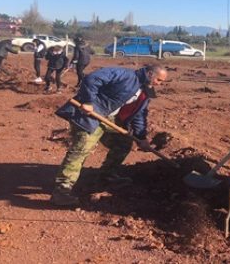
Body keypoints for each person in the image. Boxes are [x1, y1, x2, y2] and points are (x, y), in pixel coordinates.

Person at [51, 64, 168, 206]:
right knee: (81, 150)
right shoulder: (124, 74)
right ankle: (61, 191)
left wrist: (141, 138)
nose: (159, 84)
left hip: (109, 119)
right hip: (90, 115)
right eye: (159, 80)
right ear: (150, 74)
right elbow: (92, 78)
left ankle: (107, 175)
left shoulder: (144, 92)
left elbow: (139, 116)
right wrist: (88, 101)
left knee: (123, 143)